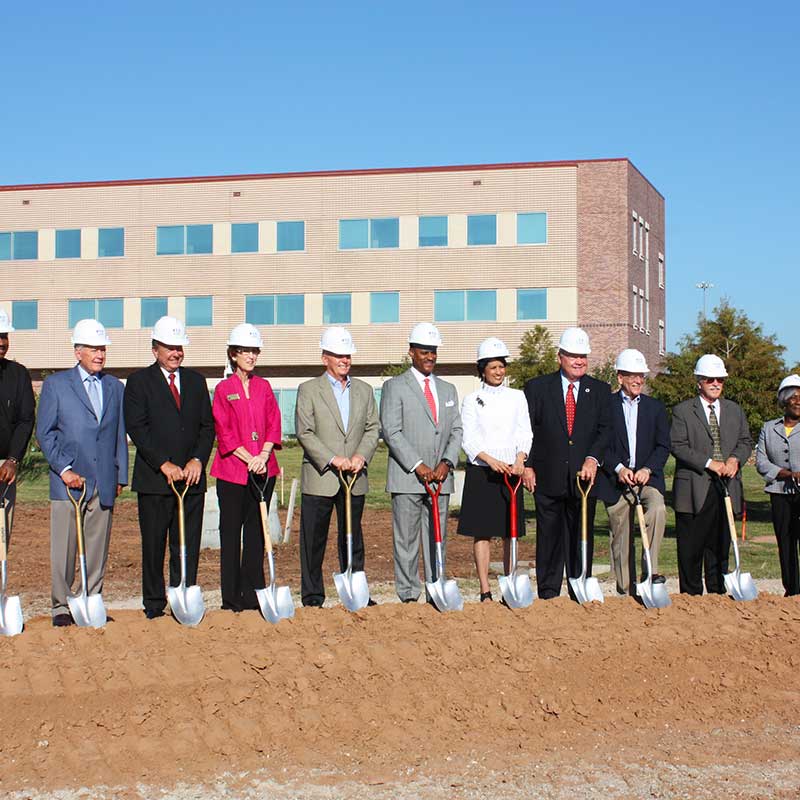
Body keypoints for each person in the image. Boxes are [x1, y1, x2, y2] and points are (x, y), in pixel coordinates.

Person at [36, 320, 128, 626]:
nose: (100, 354)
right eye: (94, 348)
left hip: (102, 478)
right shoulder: (56, 385)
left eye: (103, 348)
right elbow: (45, 433)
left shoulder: (115, 387)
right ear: (78, 352)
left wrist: (120, 476)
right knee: (64, 547)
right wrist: (64, 469)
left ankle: (90, 596)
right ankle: (60, 605)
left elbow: (118, 434)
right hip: (68, 481)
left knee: (97, 546)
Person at [123, 316, 215, 619]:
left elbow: (207, 427)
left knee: (186, 543)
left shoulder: (196, 381)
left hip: (191, 480)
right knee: (154, 545)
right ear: (155, 349)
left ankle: (184, 594)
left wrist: (197, 460)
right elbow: (138, 428)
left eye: (179, 347)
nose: (176, 352)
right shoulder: (138, 383)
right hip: (154, 480)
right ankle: (153, 603)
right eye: (169, 347)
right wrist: (164, 464)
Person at [522, 327, 611, 601]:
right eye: (573, 355)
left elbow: (605, 430)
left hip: (583, 479)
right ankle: (548, 592)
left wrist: (593, 459)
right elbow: (527, 429)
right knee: (548, 535)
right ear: (559, 356)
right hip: (547, 475)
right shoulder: (537, 388)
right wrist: (527, 465)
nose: (579, 361)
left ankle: (579, 587)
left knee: (580, 534)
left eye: (583, 356)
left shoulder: (599, 390)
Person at [295, 327, 379, 607]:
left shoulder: (365, 391)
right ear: (324, 358)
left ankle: (356, 593)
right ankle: (312, 596)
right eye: (338, 355)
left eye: (347, 355)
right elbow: (305, 432)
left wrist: (361, 456)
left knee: (352, 538)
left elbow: (372, 428)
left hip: (354, 477)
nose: (345, 360)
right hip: (321, 476)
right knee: (313, 540)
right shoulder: (308, 390)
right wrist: (333, 458)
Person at [380, 323, 463, 604]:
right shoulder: (394, 386)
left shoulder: (448, 388)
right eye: (424, 351)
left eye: (434, 352)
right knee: (406, 540)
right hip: (408, 477)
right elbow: (391, 431)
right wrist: (418, 465)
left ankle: (435, 589)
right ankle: (407, 594)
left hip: (440, 477)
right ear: (411, 352)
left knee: (437, 538)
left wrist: (446, 462)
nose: (430, 357)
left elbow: (456, 431)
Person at [210, 324, 282, 611]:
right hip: (233, 472)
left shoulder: (264, 387)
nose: (251, 356)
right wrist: (247, 458)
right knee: (231, 534)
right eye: (245, 351)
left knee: (256, 535)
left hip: (264, 471)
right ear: (233, 354)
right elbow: (224, 431)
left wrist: (262, 456)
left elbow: (273, 423)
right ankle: (231, 598)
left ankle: (252, 592)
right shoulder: (223, 389)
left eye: (254, 351)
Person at [670, 354, 752, 595]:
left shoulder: (734, 410)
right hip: (694, 488)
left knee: (720, 546)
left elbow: (745, 441)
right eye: (709, 380)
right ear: (699, 381)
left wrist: (735, 459)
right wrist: (709, 463)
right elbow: (678, 445)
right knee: (691, 549)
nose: (715, 384)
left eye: (720, 379)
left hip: (726, 488)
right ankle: (691, 598)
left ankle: (718, 595)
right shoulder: (683, 411)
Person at [458, 337, 532, 602]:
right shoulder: (472, 399)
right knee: (482, 531)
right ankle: (484, 589)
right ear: (482, 370)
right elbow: (469, 438)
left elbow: (525, 431)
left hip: (512, 472)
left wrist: (521, 460)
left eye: (502, 366)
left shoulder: (517, 397)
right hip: (483, 471)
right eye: (493, 367)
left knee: (510, 531)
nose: (499, 372)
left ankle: (510, 584)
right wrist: (490, 460)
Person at [594, 349, 670, 596]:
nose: (638, 380)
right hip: (616, 482)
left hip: (647, 479)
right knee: (621, 537)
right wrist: (618, 468)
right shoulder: (606, 407)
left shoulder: (656, 408)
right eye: (632, 375)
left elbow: (663, 446)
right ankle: (626, 591)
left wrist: (648, 469)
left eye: (641, 376)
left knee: (657, 508)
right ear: (620, 378)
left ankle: (650, 572)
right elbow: (600, 444)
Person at [755, 374, 800, 596]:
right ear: (784, 400)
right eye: (794, 397)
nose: (798, 401)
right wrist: (784, 473)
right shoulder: (768, 428)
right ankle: (792, 589)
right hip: (779, 492)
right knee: (786, 541)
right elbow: (762, 462)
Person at [0, 309, 35, 542]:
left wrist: (13, 459)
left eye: (4, 335)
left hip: (4, 469)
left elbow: (25, 419)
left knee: (1, 537)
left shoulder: (18, 374)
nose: (2, 342)